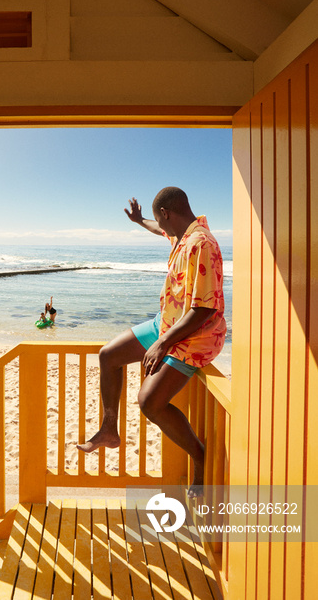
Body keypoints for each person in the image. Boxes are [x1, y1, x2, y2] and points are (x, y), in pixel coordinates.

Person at [77, 188, 226, 498]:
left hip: (196, 335)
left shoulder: (201, 243)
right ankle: (108, 429)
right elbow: (159, 228)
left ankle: (199, 455)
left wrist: (161, 345)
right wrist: (138, 220)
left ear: (168, 213)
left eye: (162, 220)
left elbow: (204, 309)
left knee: (149, 402)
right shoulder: (182, 234)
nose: (162, 229)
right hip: (168, 322)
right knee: (108, 356)